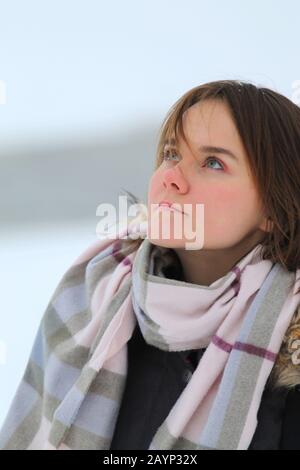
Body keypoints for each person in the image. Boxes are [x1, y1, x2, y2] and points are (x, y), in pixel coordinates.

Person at [0, 80, 300, 450]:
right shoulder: (94, 297)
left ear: (274, 207)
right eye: (172, 154)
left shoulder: (290, 359)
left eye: (213, 162)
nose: (171, 178)